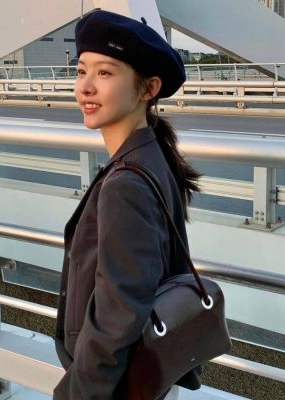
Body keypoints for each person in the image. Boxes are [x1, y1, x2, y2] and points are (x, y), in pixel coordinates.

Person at [54, 9, 201, 400]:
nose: (85, 87)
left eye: (105, 72)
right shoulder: (151, 155)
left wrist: (77, 393)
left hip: (114, 383)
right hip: (142, 370)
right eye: (81, 71)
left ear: (148, 89)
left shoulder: (126, 183)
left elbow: (118, 314)